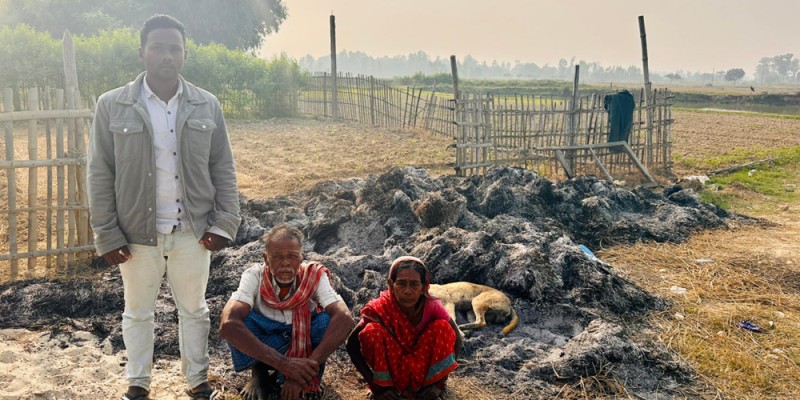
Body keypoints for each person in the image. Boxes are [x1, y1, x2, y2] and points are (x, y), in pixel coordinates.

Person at [87, 14, 240, 400]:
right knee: (137, 311)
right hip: (136, 234)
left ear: (184, 55)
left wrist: (224, 223)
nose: (166, 55)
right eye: (158, 47)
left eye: (175, 48)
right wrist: (107, 232)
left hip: (193, 230)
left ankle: (198, 382)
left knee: (195, 310)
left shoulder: (207, 104)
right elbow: (100, 173)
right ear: (142, 52)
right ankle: (137, 384)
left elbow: (223, 166)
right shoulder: (112, 105)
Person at [219, 224, 355, 400]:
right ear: (266, 259)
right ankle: (259, 373)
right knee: (241, 322)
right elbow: (227, 323)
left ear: (301, 258)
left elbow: (345, 318)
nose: (285, 263)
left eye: (292, 256)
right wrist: (283, 364)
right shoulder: (254, 275)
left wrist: (303, 373)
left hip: (305, 344)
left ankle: (307, 379)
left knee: (327, 322)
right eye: (277, 257)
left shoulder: (313, 275)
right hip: (268, 341)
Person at [346, 256, 462, 400]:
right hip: (392, 375)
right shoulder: (381, 308)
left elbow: (458, 338)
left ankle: (426, 388)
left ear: (424, 286)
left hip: (423, 375)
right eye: (401, 284)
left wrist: (438, 384)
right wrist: (376, 387)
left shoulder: (431, 306)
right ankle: (387, 387)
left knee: (443, 328)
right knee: (371, 331)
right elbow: (351, 344)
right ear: (391, 284)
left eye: (414, 285)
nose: (408, 291)